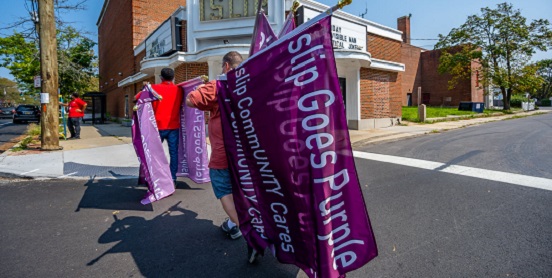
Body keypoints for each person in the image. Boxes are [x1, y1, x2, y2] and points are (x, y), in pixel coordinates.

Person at [186, 52, 259, 260]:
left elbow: (191, 101)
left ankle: (250, 234)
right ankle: (237, 225)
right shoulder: (248, 87)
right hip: (247, 156)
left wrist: (200, 88)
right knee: (246, 193)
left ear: (226, 66)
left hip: (223, 156)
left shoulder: (218, 85)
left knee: (224, 191)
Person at [136, 68, 183, 183]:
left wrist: (145, 88)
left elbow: (136, 98)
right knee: (174, 154)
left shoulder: (154, 89)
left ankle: (152, 177)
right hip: (173, 126)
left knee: (152, 153)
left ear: (161, 77)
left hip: (157, 126)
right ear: (173, 78)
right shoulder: (179, 90)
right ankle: (172, 178)